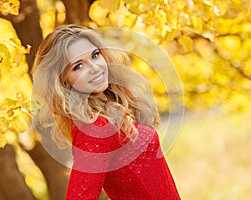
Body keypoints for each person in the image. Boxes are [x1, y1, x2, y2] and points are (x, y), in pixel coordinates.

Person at [32, 24, 180, 200]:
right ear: (63, 81)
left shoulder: (109, 111)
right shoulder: (95, 129)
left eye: (95, 55)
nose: (94, 68)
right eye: (78, 66)